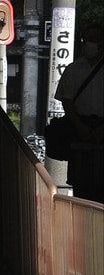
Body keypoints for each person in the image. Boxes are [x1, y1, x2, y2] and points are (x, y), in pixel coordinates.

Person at [53, 22, 104, 202]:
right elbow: (67, 101)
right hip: (78, 133)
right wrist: (80, 128)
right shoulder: (73, 69)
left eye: (94, 40)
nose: (89, 44)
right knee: (81, 184)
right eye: (86, 39)